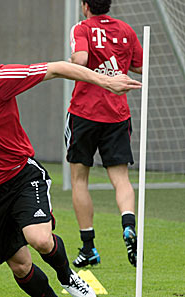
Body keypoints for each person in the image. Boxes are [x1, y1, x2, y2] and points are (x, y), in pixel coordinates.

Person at [0, 27, 141, 297]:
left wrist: (105, 81)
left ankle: (68, 278)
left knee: (39, 238)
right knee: (20, 266)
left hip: (20, 176)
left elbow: (57, 68)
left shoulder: (0, 78)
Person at [66, 0, 142, 268]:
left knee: (79, 179)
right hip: (117, 114)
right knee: (120, 178)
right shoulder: (126, 30)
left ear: (85, 5)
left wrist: (72, 61)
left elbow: (81, 60)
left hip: (85, 113)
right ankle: (128, 223)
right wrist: (115, 66)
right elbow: (140, 67)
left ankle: (89, 248)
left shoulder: (82, 28)